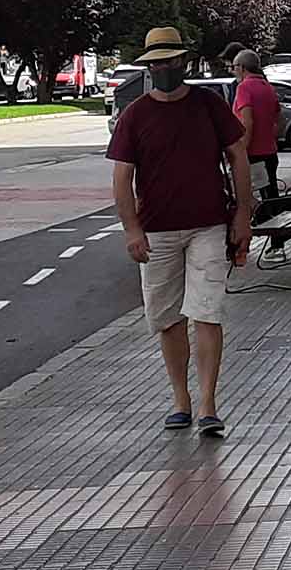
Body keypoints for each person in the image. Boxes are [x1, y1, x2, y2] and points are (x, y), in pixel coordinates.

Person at [108, 26, 253, 438]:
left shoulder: (207, 105)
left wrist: (243, 213)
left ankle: (208, 403)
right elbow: (122, 178)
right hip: (157, 232)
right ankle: (181, 401)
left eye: (170, 61)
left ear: (183, 63)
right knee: (167, 319)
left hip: (208, 224)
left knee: (207, 312)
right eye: (156, 62)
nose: (164, 68)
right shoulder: (135, 115)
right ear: (148, 66)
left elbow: (237, 155)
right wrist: (131, 229)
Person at [231, 49, 280, 201]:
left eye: (234, 67)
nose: (233, 71)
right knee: (272, 197)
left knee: (252, 199)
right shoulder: (268, 87)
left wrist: (241, 151)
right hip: (270, 152)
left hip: (253, 154)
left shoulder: (244, 88)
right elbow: (279, 121)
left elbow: (247, 121)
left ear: (242, 67)